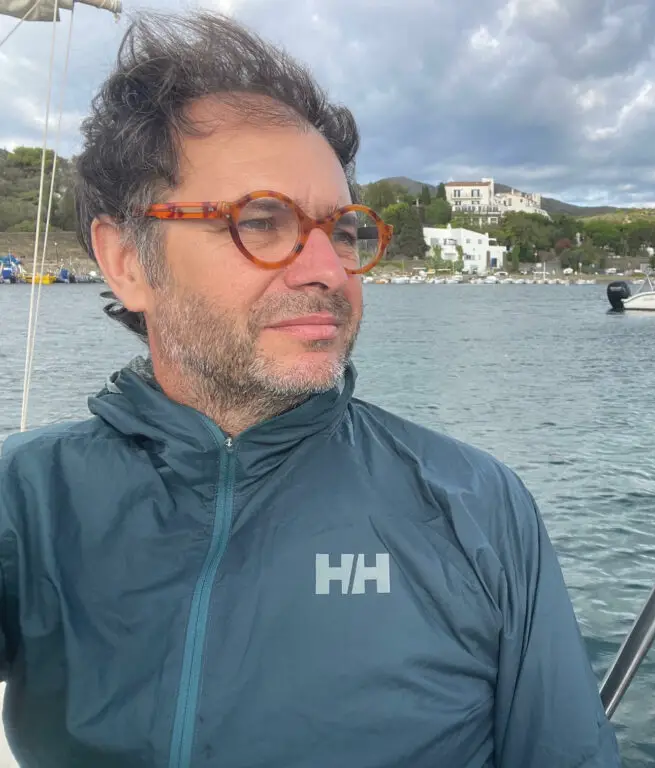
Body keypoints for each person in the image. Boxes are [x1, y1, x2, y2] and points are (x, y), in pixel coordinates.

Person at [0, 11, 622, 768]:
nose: (329, 271)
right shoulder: (28, 503)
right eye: (262, 222)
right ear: (127, 260)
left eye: (342, 230)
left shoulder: (475, 506)